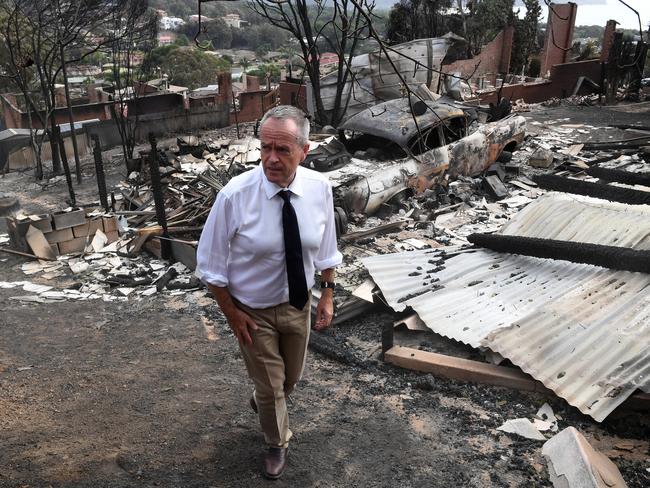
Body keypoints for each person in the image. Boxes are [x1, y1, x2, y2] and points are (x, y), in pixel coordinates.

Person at [196, 105, 342, 479]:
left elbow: (326, 248)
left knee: (289, 380)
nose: (271, 159)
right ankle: (276, 444)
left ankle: (264, 399)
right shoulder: (234, 196)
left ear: (304, 150)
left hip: (297, 304)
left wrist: (326, 294)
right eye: (265, 148)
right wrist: (232, 315)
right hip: (252, 311)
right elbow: (210, 264)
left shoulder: (319, 189)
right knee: (273, 386)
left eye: (282, 150)